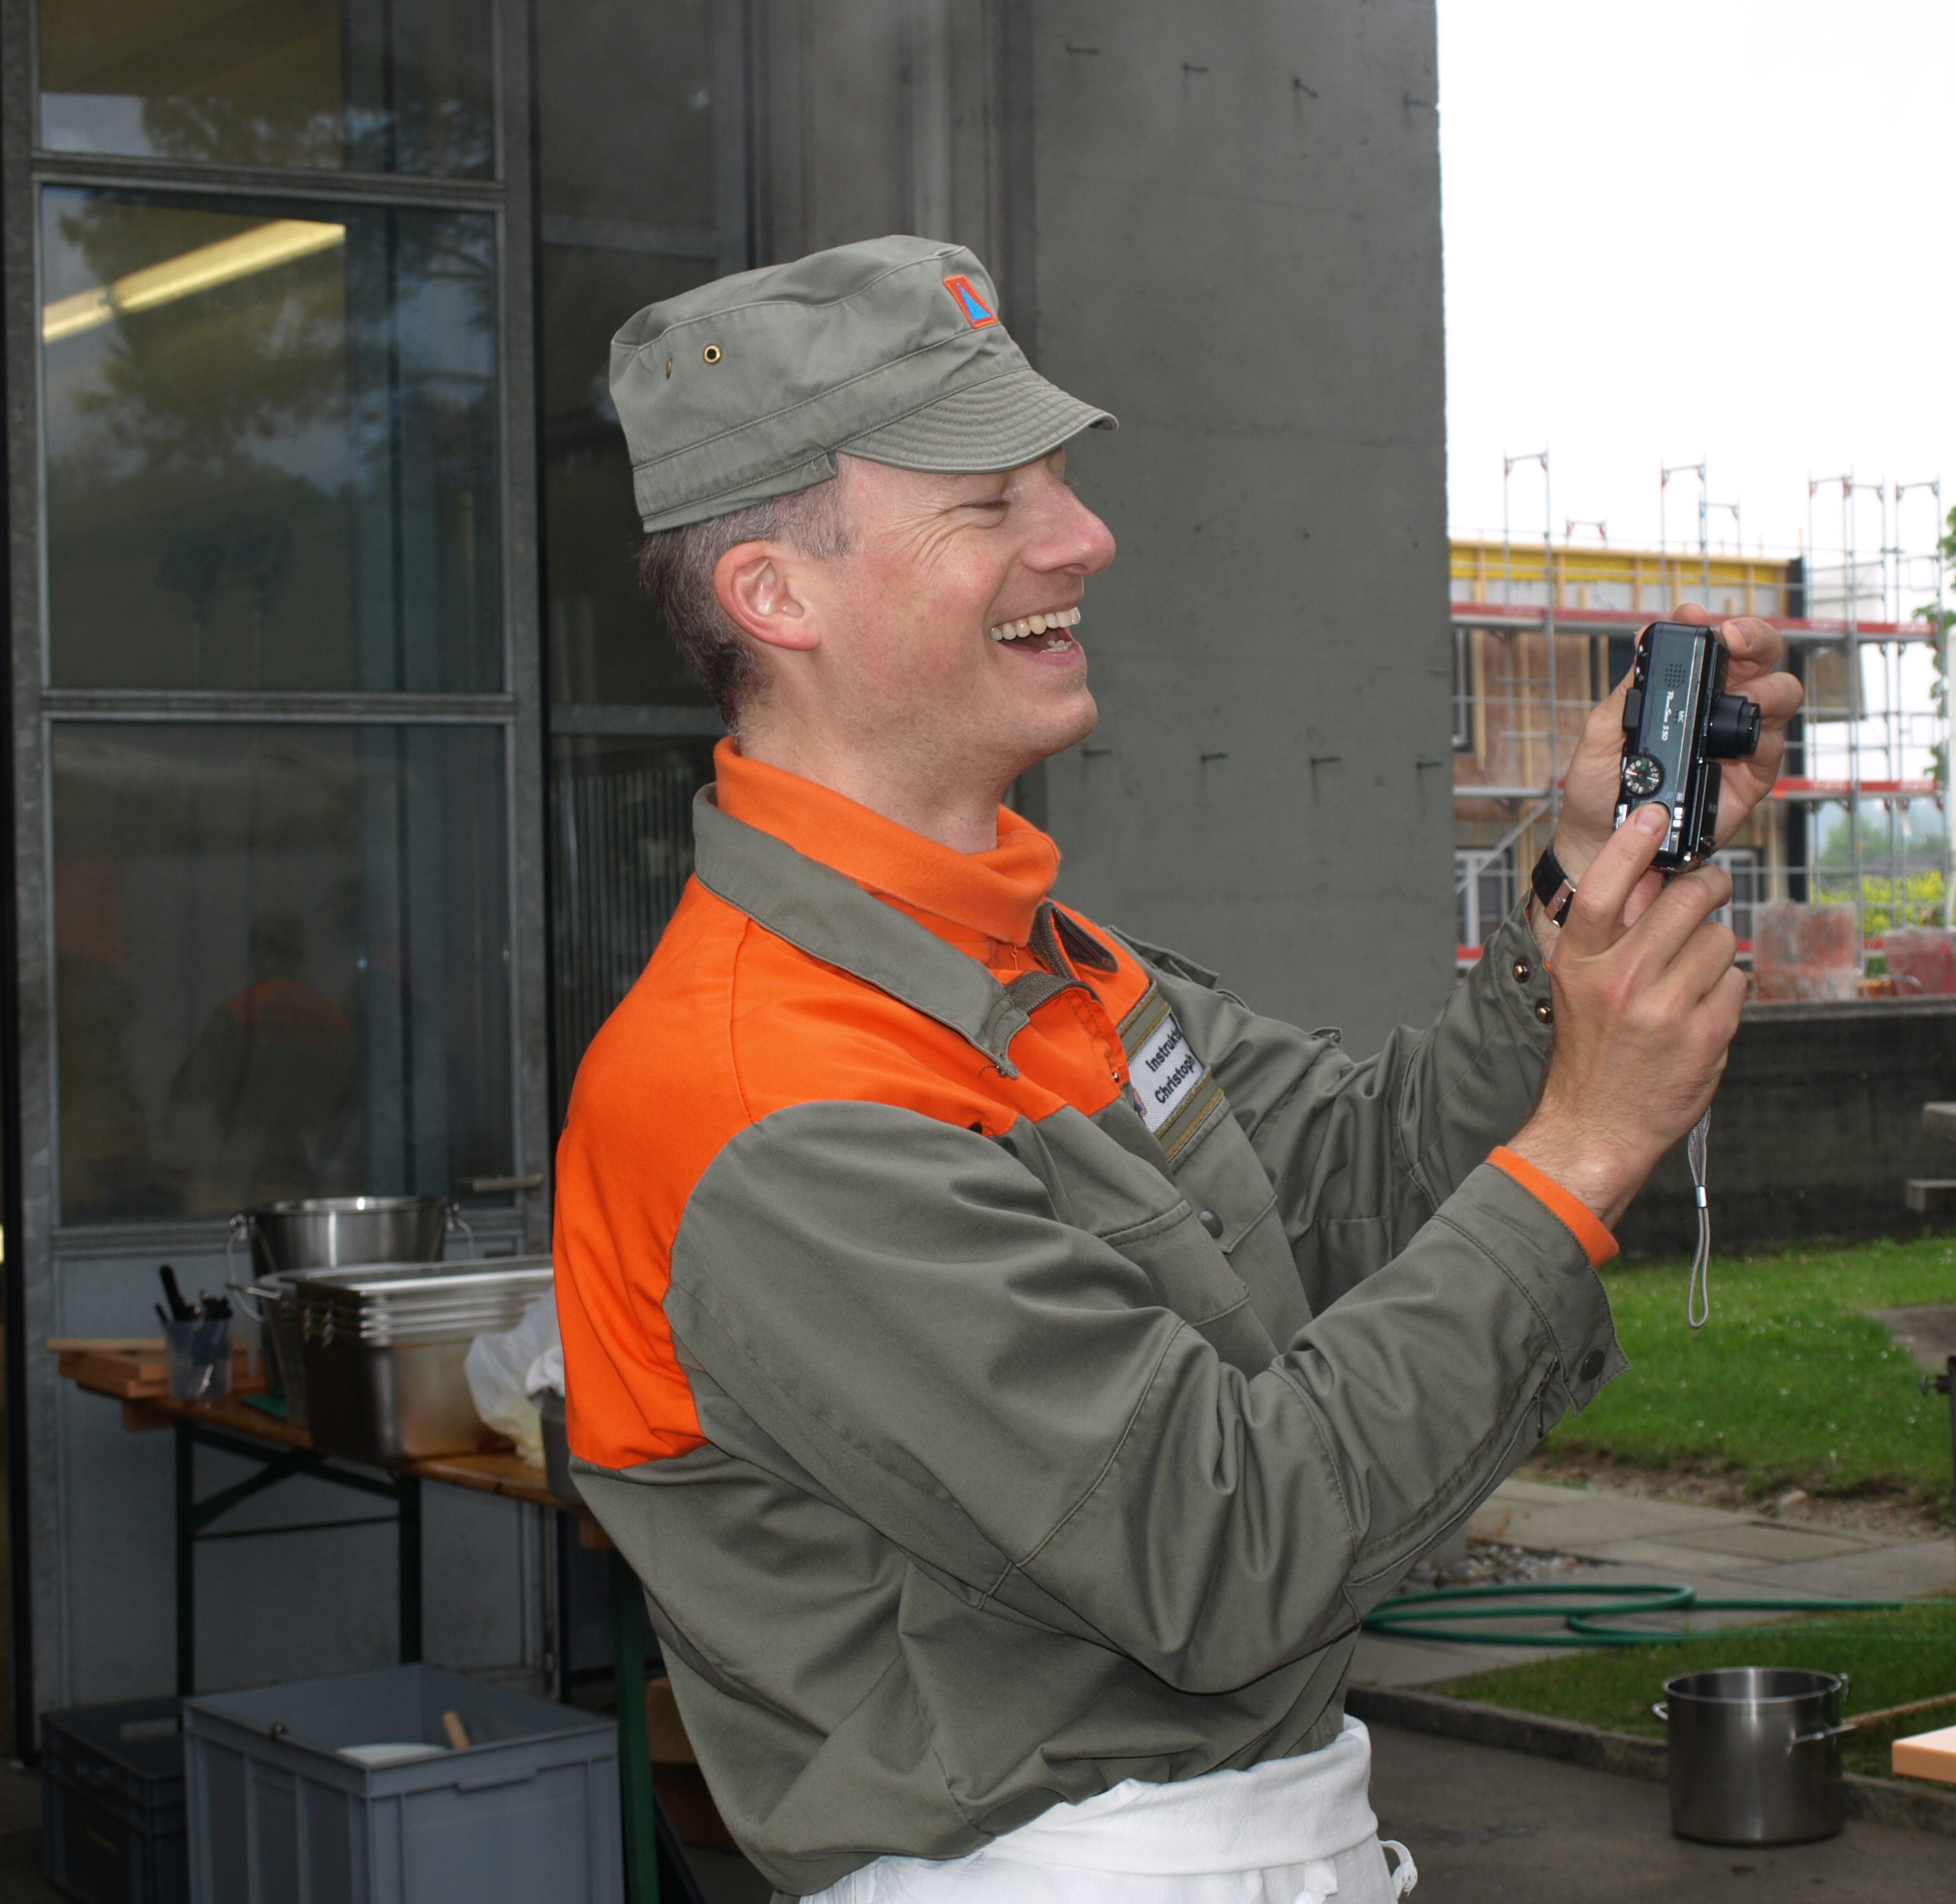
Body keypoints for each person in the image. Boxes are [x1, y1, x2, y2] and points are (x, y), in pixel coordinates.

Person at [553, 235, 1803, 1903]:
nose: (1085, 538)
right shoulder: (770, 1097)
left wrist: (1588, 884)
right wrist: (1584, 1148)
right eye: (990, 503)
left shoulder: (1035, 962)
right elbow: (1226, 1550)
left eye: (1060, 483)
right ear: (777, 596)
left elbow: (1365, 1185)